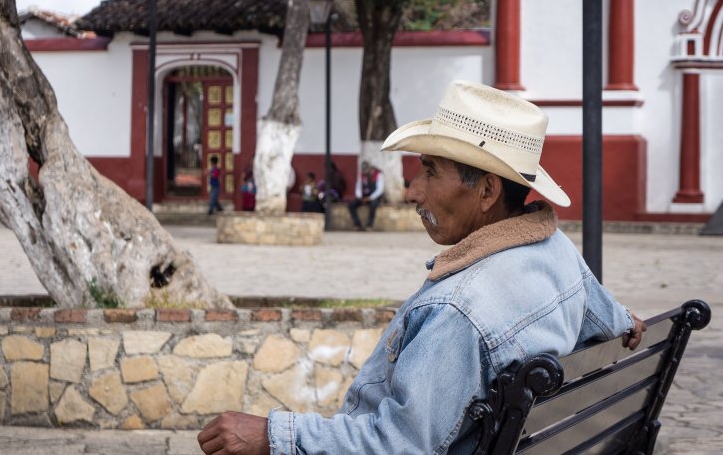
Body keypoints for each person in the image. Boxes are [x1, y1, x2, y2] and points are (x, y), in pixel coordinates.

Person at [197, 80, 646, 455]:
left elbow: (399, 445)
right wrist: (626, 318)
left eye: (429, 172)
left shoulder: (459, 311)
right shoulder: (556, 251)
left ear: (487, 191)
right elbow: (613, 321)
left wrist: (273, 436)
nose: (413, 192)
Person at [347, 160, 384, 231]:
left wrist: (370, 198)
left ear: (370, 168)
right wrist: (360, 197)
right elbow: (358, 187)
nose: (365, 173)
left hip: (375, 196)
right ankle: (357, 225)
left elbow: (380, 189)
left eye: (367, 171)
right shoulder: (361, 175)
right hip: (364, 196)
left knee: (373, 205)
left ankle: (369, 225)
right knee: (351, 205)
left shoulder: (378, 174)